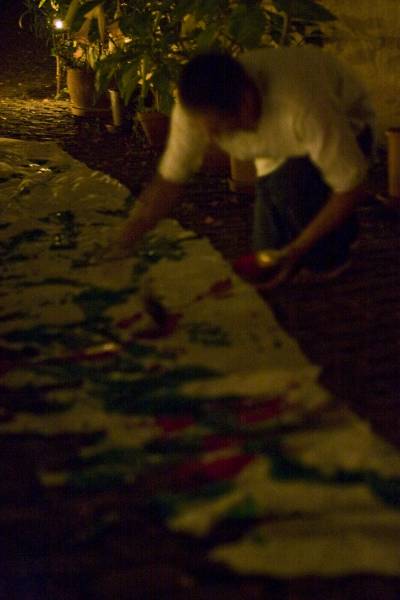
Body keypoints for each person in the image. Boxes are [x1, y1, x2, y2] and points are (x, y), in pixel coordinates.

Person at [116, 46, 375, 287]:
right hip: (282, 146)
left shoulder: (302, 106)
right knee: (266, 254)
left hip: (348, 126)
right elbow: (170, 180)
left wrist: (296, 250)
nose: (214, 140)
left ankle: (339, 250)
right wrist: (128, 237)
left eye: (220, 131)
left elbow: (351, 186)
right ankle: (316, 232)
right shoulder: (197, 113)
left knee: (299, 208)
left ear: (246, 103)